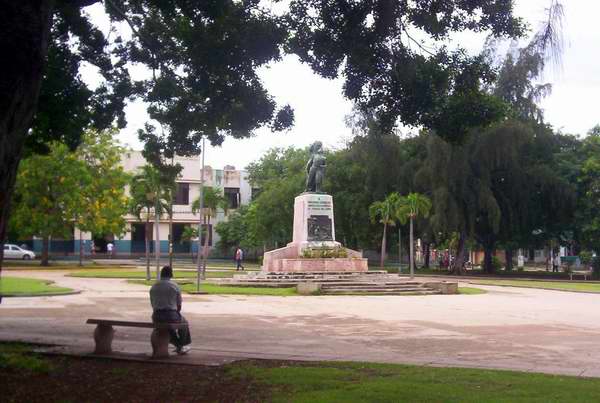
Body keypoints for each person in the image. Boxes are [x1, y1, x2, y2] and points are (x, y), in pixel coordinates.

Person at [150, 266, 192, 354]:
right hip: (170, 314)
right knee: (184, 323)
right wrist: (176, 313)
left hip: (156, 315)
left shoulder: (153, 287)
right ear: (171, 275)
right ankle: (182, 345)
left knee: (168, 328)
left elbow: (153, 304)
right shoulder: (174, 286)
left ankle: (178, 346)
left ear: (161, 274)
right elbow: (179, 306)